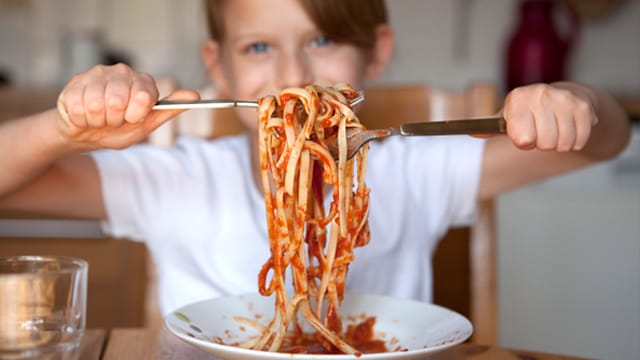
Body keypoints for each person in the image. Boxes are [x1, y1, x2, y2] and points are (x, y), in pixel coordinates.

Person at [0, 0, 631, 316]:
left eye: (322, 40)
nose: (294, 76)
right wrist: (60, 131)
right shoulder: (176, 179)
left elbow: (606, 142)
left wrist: (575, 105)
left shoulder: (414, 172)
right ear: (217, 65)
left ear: (375, 55)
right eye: (257, 47)